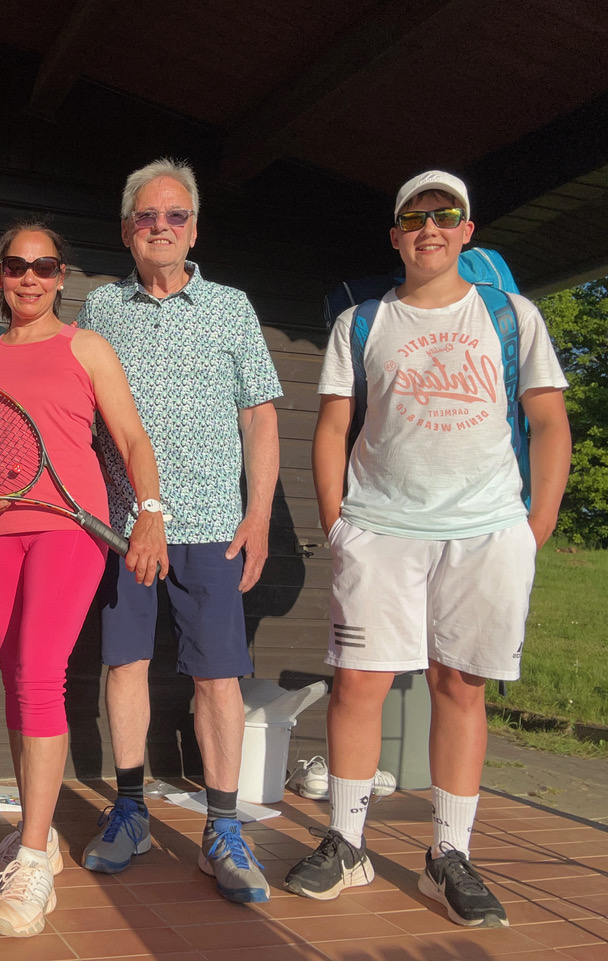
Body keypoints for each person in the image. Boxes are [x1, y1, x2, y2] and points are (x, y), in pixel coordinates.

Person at [283, 170, 570, 927]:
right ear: (396, 235)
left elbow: (547, 421)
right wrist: (340, 522)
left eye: (446, 215)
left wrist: (532, 531)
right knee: (357, 685)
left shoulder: (512, 316)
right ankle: (346, 842)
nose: (430, 227)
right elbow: (333, 427)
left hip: (485, 532)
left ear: (467, 230)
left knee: (460, 687)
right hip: (381, 528)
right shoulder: (363, 322)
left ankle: (450, 854)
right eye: (415, 217)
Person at [76, 158, 282, 905]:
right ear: (126, 228)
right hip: (122, 527)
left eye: (175, 216)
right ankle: (129, 810)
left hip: (210, 526)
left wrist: (258, 515)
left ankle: (223, 829)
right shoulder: (99, 309)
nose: (160, 227)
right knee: (125, 664)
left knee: (216, 676)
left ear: (194, 228)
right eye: (146, 216)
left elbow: (260, 414)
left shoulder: (231, 306)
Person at [0, 223, 168, 937]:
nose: (29, 277)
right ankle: (34, 833)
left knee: (42, 673)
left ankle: (38, 858)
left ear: (61, 275)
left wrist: (150, 514)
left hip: (66, 528)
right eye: (16, 265)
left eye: (43, 266)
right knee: (19, 676)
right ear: (0, 275)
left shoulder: (86, 346)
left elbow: (133, 438)